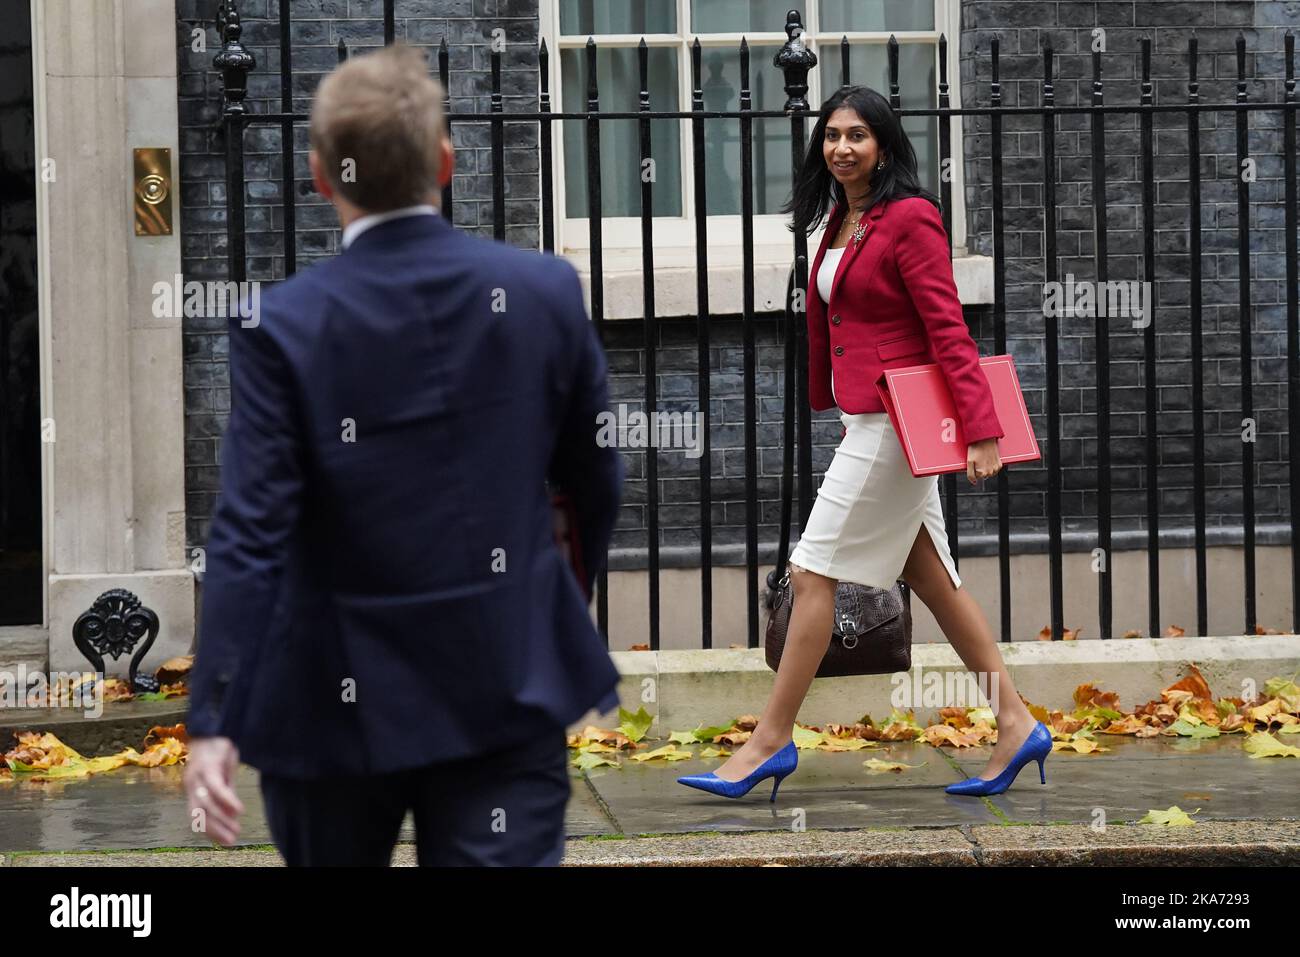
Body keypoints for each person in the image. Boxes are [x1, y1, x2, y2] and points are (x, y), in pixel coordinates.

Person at [184, 42, 624, 865]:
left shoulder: (283, 325)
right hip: (504, 676)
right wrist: (558, 598)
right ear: (447, 160)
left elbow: (249, 532)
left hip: (330, 696)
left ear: (321, 176)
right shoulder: (541, 293)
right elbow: (596, 475)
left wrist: (213, 717)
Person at [678, 85, 1050, 802]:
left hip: (896, 427)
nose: (842, 147)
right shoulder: (838, 219)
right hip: (870, 420)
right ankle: (1015, 721)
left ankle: (770, 740)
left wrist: (982, 430)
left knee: (814, 571)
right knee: (935, 580)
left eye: (858, 135)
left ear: (884, 146)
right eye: (832, 135)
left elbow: (947, 327)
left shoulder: (910, 219)